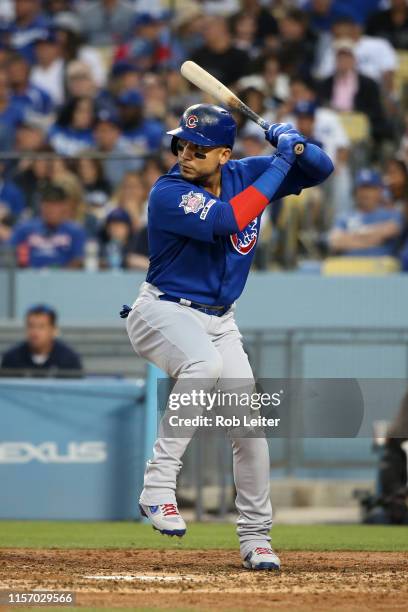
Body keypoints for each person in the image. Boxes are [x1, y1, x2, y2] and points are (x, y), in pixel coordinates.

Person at [122, 104, 333, 570]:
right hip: (162, 310)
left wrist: (293, 141)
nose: (186, 153)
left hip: (221, 320)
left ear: (223, 154)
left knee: (250, 432)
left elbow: (322, 169)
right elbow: (228, 221)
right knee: (204, 366)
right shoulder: (168, 191)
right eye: (182, 144)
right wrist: (282, 160)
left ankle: (256, 538)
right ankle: (158, 484)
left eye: (199, 147)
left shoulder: (246, 173)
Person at [328, 169, 403, 257]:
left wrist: (351, 236)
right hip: (349, 267)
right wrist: (375, 239)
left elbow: (392, 229)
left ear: (379, 191)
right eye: (362, 188)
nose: (366, 193)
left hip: (382, 267)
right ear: (356, 191)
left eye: (370, 188)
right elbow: (335, 242)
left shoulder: (392, 215)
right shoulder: (344, 217)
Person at [10, 182, 86, 268]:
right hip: (28, 277)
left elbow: (79, 260)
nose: (50, 211)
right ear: (41, 206)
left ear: (64, 207)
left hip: (64, 278)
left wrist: (59, 275)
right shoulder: (24, 229)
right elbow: (8, 255)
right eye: (47, 206)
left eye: (55, 206)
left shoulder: (75, 232)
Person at [1, 303, 82, 373]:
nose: (35, 332)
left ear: (54, 330)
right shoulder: (12, 358)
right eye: (31, 326)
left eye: (41, 327)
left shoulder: (69, 359)